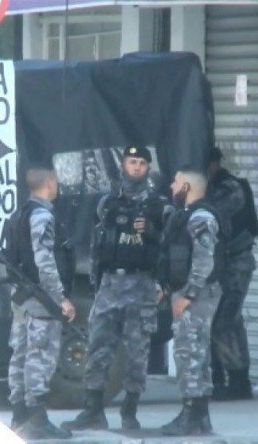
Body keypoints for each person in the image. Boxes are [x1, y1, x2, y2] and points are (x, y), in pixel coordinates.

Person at [63, 146, 169, 431]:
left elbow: (170, 248)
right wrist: (98, 284)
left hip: (141, 284)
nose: (136, 167)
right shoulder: (107, 203)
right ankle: (93, 409)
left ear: (148, 167)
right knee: (97, 348)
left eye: (141, 163)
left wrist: (151, 234)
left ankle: (129, 410)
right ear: (123, 165)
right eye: (131, 162)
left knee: (137, 353)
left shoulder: (158, 206)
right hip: (110, 284)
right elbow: (98, 247)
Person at [5, 166, 76, 440]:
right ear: (49, 182)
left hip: (23, 296)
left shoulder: (20, 213)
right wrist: (61, 298)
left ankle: (19, 416)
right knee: (40, 356)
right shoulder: (43, 216)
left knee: (21, 355)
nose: (57, 185)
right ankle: (37, 419)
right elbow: (44, 261)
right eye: (56, 181)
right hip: (41, 299)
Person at [158, 170, 227, 436]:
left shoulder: (201, 217)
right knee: (196, 352)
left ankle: (191, 415)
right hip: (190, 292)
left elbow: (204, 261)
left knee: (189, 353)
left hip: (198, 295)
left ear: (186, 186)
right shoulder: (188, 215)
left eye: (175, 182)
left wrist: (188, 294)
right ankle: (200, 417)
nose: (172, 186)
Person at [206, 147, 258, 400]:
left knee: (225, 322)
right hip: (219, 264)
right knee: (222, 322)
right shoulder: (211, 187)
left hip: (236, 264)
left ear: (214, 164)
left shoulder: (229, 188)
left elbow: (212, 214)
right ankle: (220, 379)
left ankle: (238, 381)